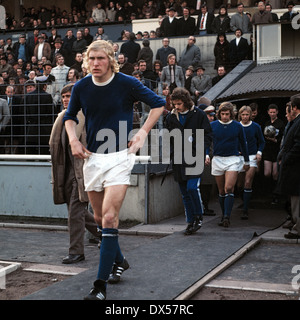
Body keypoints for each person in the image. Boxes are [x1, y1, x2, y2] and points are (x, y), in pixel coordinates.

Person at [63, 40, 164, 300]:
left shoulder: (126, 82)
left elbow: (158, 104)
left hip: (120, 157)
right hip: (93, 159)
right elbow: (69, 116)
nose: (95, 63)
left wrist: (142, 132)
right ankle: (120, 261)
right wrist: (74, 139)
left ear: (111, 60)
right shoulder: (81, 86)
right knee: (98, 220)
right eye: (91, 59)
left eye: (101, 58)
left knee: (109, 219)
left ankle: (99, 287)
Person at [49, 84, 101, 264]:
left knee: (74, 212)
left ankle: (76, 251)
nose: (65, 99)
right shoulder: (63, 117)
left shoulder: (85, 116)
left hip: (83, 172)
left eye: (69, 96)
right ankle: (104, 233)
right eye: (63, 96)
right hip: (67, 171)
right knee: (76, 211)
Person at [165, 87, 212, 235]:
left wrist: (204, 153)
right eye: (174, 104)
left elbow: (207, 135)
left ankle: (198, 216)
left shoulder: (199, 114)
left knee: (192, 187)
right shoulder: (171, 117)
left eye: (179, 104)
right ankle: (190, 221)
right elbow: (169, 137)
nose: (176, 107)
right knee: (184, 192)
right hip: (178, 157)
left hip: (195, 156)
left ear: (185, 101)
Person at [209, 102, 249, 227]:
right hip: (217, 159)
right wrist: (206, 154)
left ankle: (227, 216)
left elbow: (243, 143)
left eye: (227, 114)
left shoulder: (237, 126)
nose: (225, 116)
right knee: (221, 191)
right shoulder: (213, 125)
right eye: (223, 114)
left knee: (229, 188)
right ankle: (223, 214)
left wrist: (247, 161)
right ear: (219, 114)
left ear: (231, 114)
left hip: (233, 159)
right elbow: (207, 141)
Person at [276, 95, 300, 239]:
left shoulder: (298, 123)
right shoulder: (295, 122)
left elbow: (298, 146)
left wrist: (286, 158)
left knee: (297, 200)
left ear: (295, 108)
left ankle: (298, 230)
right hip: (293, 168)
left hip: (295, 169)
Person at [238, 106, 265, 220]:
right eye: (243, 115)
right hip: (239, 157)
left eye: (247, 115)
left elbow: (262, 141)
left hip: (252, 156)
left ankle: (245, 209)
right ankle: (244, 200)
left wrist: (259, 153)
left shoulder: (255, 126)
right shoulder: (237, 126)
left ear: (250, 115)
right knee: (239, 184)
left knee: (248, 182)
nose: (245, 117)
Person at [262, 104, 285, 204]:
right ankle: (268, 192)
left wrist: (275, 140)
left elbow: (283, 138)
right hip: (267, 150)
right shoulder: (266, 123)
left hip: (276, 151)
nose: (272, 114)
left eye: (274, 112)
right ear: (268, 112)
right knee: (267, 173)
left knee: (275, 174)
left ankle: (276, 195)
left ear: (277, 112)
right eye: (270, 112)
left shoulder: (281, 123)